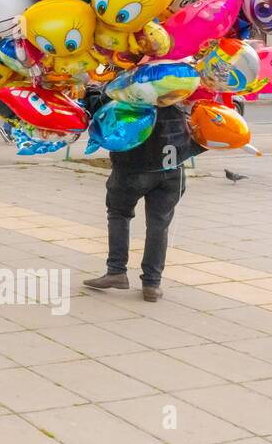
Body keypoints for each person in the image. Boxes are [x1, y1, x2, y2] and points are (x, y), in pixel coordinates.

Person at [83, 100, 204, 303]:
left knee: (119, 214)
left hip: (132, 167)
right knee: (159, 225)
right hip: (171, 169)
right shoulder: (179, 90)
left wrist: (93, 89)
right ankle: (152, 284)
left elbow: (101, 109)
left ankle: (116, 271)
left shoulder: (129, 87)